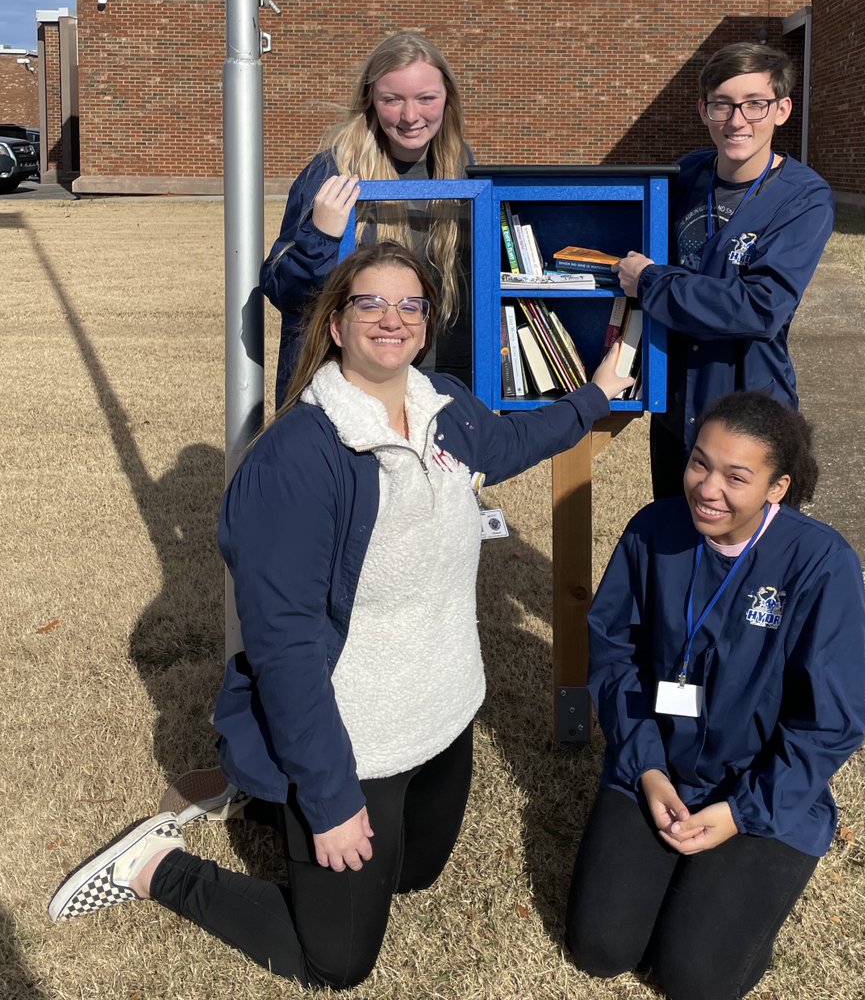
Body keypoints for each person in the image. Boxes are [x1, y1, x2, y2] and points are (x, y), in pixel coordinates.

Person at [49, 242, 634, 990]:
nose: (393, 319)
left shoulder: (444, 404)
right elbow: (286, 647)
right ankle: (157, 865)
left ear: (427, 324)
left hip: (441, 707)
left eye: (410, 305)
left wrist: (595, 395)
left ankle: (267, 796)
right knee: (336, 960)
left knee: (413, 873)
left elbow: (513, 443)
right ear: (335, 324)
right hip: (355, 733)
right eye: (371, 304)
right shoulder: (297, 459)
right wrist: (329, 800)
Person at [565, 390, 865, 1000]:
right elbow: (615, 654)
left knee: (695, 979)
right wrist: (646, 768)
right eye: (700, 463)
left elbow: (830, 724)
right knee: (600, 949)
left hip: (759, 789)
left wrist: (739, 813)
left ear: (777, 488)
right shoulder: (653, 529)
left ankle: (726, 892)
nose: (707, 488)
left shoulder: (822, 564)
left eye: (736, 477)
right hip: (657, 766)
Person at [614, 42, 834, 500]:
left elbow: (760, 308)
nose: (737, 121)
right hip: (677, 407)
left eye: (755, 104)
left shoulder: (802, 199)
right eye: (723, 105)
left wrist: (652, 282)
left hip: (750, 408)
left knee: (746, 537)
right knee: (677, 527)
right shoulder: (686, 177)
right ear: (704, 110)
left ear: (782, 110)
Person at [262, 30, 474, 405]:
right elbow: (284, 291)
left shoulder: (463, 170)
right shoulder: (334, 171)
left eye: (426, 98)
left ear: (448, 99)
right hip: (352, 389)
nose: (411, 116)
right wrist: (321, 238)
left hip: (438, 386)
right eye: (392, 100)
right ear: (371, 100)